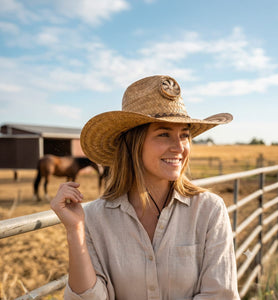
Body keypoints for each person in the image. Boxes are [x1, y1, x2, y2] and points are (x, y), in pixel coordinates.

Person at [51, 75, 240, 300]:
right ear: (133, 144)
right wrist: (75, 232)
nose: (179, 147)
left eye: (185, 135)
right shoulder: (94, 218)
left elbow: (220, 295)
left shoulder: (209, 210)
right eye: (164, 134)